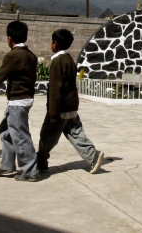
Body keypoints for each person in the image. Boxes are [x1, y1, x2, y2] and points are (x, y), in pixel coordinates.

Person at [0, 20, 40, 182]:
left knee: (20, 135)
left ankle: (30, 170)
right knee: (6, 131)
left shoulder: (13, 55)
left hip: (18, 101)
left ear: (9, 39)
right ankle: (7, 165)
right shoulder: (30, 55)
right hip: (23, 99)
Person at [37, 28, 105, 174]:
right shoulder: (69, 59)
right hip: (71, 106)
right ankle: (94, 156)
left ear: (55, 43)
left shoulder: (57, 62)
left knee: (47, 136)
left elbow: (56, 89)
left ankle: (40, 162)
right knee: (76, 134)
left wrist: (52, 112)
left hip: (59, 109)